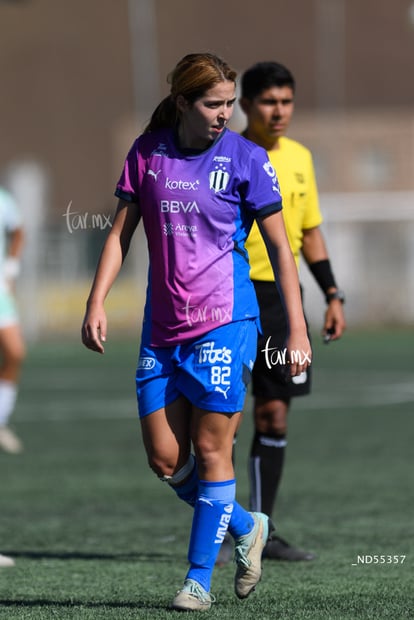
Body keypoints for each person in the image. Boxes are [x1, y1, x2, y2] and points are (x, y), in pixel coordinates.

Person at [82, 52, 311, 612]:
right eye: (213, 104)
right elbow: (119, 235)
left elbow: (281, 248)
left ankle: (196, 581)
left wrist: (298, 330)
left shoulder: (247, 159)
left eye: (230, 103)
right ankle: (248, 524)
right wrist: (96, 300)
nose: (225, 114)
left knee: (213, 451)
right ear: (183, 102)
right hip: (161, 328)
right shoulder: (148, 153)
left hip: (227, 322)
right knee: (166, 460)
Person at [227, 61, 346, 564]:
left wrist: (332, 293)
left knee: (273, 415)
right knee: (222, 421)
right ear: (247, 105)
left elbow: (310, 232)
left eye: (287, 101)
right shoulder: (225, 153)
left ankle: (264, 531)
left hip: (281, 299)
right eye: (270, 101)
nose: (280, 111)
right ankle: (220, 528)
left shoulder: (300, 157)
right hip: (230, 294)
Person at [0, 186, 25, 455]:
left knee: (15, 352)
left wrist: (10, 267)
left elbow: (18, 230)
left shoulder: (3, 198)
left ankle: (0, 421)